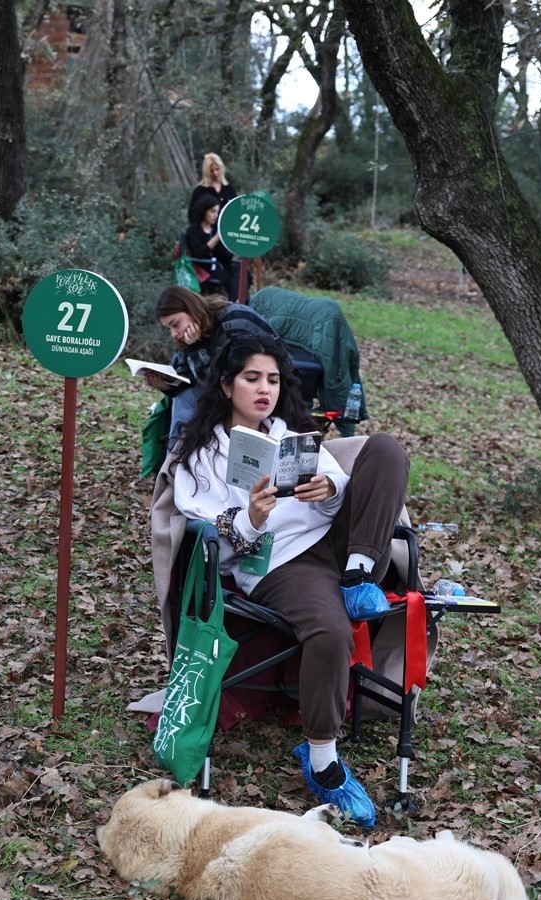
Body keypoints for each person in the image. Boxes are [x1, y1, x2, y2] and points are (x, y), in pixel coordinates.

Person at [168, 334, 412, 827]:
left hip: (339, 547)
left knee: (385, 449)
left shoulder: (291, 434)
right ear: (226, 383)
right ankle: (323, 758)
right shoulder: (198, 456)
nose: (265, 390)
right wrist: (252, 517)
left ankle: (358, 576)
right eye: (252, 378)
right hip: (280, 563)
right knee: (330, 630)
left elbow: (341, 495)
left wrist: (329, 489)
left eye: (273, 380)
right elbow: (202, 527)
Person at [148, 285, 281, 438]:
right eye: (168, 329)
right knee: (184, 397)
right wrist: (166, 386)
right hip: (232, 386)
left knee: (189, 399)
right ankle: (178, 454)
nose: (174, 334)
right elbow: (186, 378)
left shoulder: (231, 320)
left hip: (261, 385)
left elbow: (223, 380)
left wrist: (196, 346)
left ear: (192, 310)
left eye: (175, 324)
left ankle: (183, 452)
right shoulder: (190, 333)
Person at [183, 192, 238, 301]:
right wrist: (217, 237)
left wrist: (231, 247)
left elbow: (222, 255)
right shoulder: (193, 230)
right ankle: (233, 304)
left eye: (217, 212)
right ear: (204, 211)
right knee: (231, 280)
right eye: (212, 211)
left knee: (242, 272)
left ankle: (242, 303)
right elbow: (199, 253)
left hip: (218, 265)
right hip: (202, 268)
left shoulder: (215, 229)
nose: (215, 215)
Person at [188, 152, 238, 218]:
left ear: (221, 168)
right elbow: (192, 215)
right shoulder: (200, 191)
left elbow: (236, 212)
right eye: (211, 171)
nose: (215, 173)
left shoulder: (230, 189)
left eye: (217, 169)